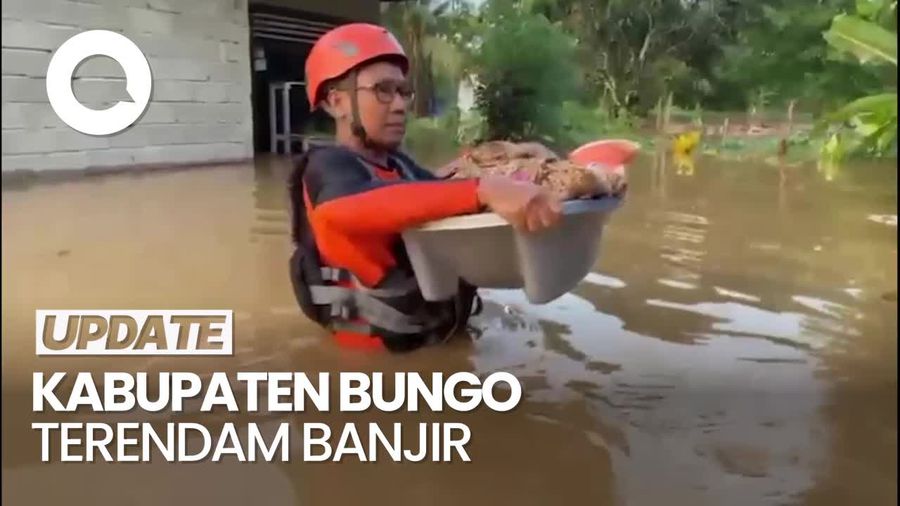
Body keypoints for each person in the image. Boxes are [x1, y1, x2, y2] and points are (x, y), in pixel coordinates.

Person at [288, 23, 561, 353]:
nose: (401, 105)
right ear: (337, 102)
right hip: (378, 373)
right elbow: (350, 208)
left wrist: (520, 164)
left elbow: (440, 189)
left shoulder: (396, 164)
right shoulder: (327, 168)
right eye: (383, 90)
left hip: (436, 340)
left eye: (403, 92)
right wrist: (485, 189)